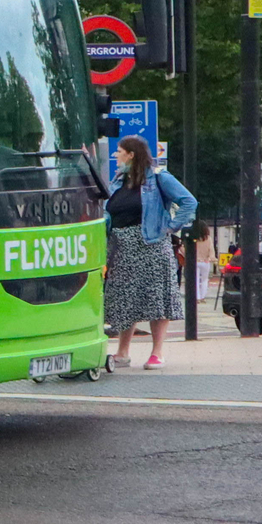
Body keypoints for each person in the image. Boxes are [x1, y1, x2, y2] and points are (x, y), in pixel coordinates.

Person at [103, 136, 196, 370]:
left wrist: (171, 226)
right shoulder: (117, 182)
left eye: (119, 152)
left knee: (157, 299)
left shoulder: (158, 178)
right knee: (125, 300)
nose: (116, 156)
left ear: (131, 155)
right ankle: (122, 353)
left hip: (151, 246)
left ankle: (157, 352)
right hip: (122, 249)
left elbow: (188, 201)